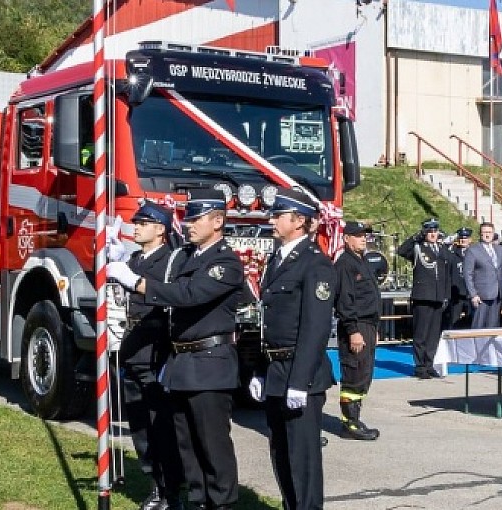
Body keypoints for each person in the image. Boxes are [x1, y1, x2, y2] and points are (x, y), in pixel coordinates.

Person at [108, 189, 243, 510]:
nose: (190, 224)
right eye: (189, 218)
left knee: (212, 447)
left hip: (210, 364)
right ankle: (197, 502)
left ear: (218, 221)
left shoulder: (224, 261)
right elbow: (160, 269)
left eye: (196, 219)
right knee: (188, 446)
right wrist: (125, 258)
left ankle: (221, 505)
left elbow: (188, 294)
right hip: (183, 362)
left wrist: (135, 283)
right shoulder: (188, 256)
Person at [248, 189, 335, 509]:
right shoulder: (277, 258)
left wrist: (299, 381)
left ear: (298, 221)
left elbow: (315, 328)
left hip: (302, 375)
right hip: (275, 370)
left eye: (278, 215)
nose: (271, 219)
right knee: (281, 454)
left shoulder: (315, 264)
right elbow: (267, 322)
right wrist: (260, 369)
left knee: (303, 460)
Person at [116, 201, 185, 510]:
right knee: (140, 428)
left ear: (160, 229)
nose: (137, 227)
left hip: (154, 351)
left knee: (161, 428)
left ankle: (170, 491)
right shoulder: (133, 259)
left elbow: (165, 297)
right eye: (137, 222)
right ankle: (154, 483)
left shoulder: (169, 261)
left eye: (143, 223)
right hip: (132, 349)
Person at [333, 220, 382, 440]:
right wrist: (353, 330)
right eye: (358, 235)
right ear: (346, 238)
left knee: (364, 374)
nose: (364, 238)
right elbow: (345, 301)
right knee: (354, 373)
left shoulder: (361, 261)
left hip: (367, 325)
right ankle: (349, 424)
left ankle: (355, 418)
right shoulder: (345, 263)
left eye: (365, 235)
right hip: (356, 326)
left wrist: (373, 328)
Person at [398, 218, 450, 379]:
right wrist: (415, 237)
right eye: (429, 231)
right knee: (421, 333)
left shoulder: (442, 249)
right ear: (425, 233)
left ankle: (429, 364)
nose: (433, 234)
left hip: (438, 297)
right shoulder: (418, 248)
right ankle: (420, 366)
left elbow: (447, 275)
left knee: (434, 335)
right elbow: (401, 250)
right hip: (423, 297)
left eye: (435, 231)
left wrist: (446, 295)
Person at [463, 222, 502, 329]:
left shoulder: (500, 250)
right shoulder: (473, 250)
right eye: (484, 232)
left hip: (497, 295)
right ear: (480, 234)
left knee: (493, 328)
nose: (487, 235)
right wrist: (473, 294)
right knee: (479, 327)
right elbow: (467, 274)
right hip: (481, 296)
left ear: (493, 233)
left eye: (489, 232)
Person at [445, 227, 472, 329]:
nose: (463, 240)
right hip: (456, 293)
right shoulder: (452, 252)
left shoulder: (474, 252)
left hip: (471, 293)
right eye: (461, 238)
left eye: (465, 238)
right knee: (454, 320)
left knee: (471, 321)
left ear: (470, 239)